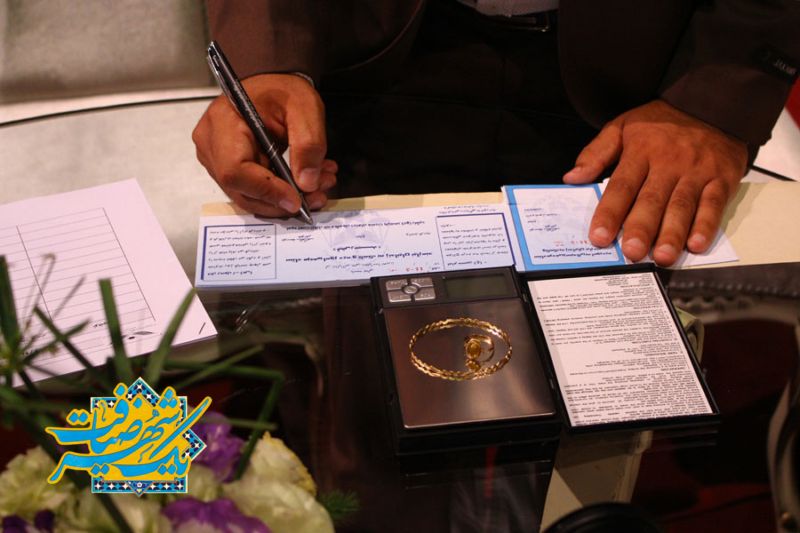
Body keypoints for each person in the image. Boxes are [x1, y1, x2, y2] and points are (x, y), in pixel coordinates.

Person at [192, 0, 800, 266]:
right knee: (362, 408)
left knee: (612, 386)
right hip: (377, 53)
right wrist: (266, 55)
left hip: (642, 78)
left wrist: (715, 94)